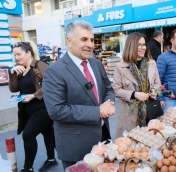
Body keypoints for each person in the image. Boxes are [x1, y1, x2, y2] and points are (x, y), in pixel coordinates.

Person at [42, 20, 115, 170]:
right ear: (69, 41)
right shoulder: (54, 71)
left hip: (102, 138)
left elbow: (108, 88)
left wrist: (109, 103)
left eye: (92, 39)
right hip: (75, 146)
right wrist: (98, 111)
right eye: (84, 39)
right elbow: (56, 110)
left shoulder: (96, 64)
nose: (90, 44)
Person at [9, 41, 57, 172]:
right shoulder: (20, 70)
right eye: (14, 55)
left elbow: (52, 84)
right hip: (29, 111)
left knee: (28, 135)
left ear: (28, 53)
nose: (17, 57)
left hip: (44, 109)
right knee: (47, 133)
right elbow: (13, 89)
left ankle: (27, 168)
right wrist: (12, 73)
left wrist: (34, 95)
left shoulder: (39, 65)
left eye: (19, 54)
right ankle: (51, 159)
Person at [113, 32, 161, 138]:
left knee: (151, 144)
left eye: (144, 44)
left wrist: (155, 91)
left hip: (150, 113)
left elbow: (158, 84)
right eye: (139, 45)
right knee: (131, 147)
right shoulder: (120, 67)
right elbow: (116, 90)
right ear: (131, 46)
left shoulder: (152, 63)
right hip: (129, 116)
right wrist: (134, 94)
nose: (143, 47)